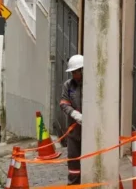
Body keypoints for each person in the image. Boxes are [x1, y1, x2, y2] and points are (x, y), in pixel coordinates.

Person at [59, 54, 83, 185]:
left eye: (76, 72)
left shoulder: (90, 85)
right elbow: (63, 103)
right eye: (72, 72)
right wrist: (73, 113)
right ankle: (73, 185)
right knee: (73, 161)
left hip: (89, 133)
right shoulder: (68, 86)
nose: (74, 75)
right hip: (74, 133)